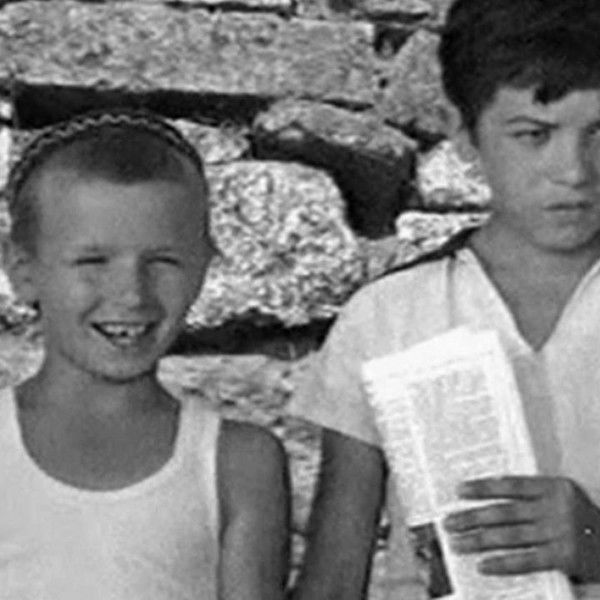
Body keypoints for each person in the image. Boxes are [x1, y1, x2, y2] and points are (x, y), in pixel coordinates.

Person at [289, 0, 600, 598]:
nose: (574, 171)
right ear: (464, 134)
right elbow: (332, 581)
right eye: (533, 135)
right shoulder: (390, 317)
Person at [0, 110, 289, 599]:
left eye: (162, 262)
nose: (132, 294)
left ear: (204, 268)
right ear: (22, 270)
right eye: (92, 261)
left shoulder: (237, 465)